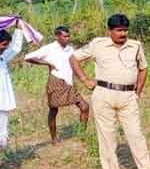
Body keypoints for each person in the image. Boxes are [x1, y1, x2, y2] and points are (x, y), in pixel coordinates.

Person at [70, 14, 150, 169]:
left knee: (136, 134)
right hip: (104, 94)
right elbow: (73, 58)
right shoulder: (98, 44)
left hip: (128, 96)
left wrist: (138, 91)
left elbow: (143, 68)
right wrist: (85, 80)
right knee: (106, 135)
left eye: (125, 30)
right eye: (119, 30)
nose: (123, 34)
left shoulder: (135, 46)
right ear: (110, 31)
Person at [24, 26, 89, 145]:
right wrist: (46, 63)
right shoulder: (49, 48)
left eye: (68, 36)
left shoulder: (70, 49)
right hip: (56, 81)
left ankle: (83, 135)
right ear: (57, 36)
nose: (67, 38)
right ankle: (54, 139)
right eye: (65, 36)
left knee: (84, 107)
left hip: (69, 83)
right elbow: (27, 57)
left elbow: (75, 61)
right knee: (53, 110)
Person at [0, 21, 25, 149]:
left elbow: (15, 48)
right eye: (4, 45)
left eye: (7, 45)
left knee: (3, 131)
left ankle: (3, 154)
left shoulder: (2, 57)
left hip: (2, 101)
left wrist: (19, 30)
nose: (6, 48)